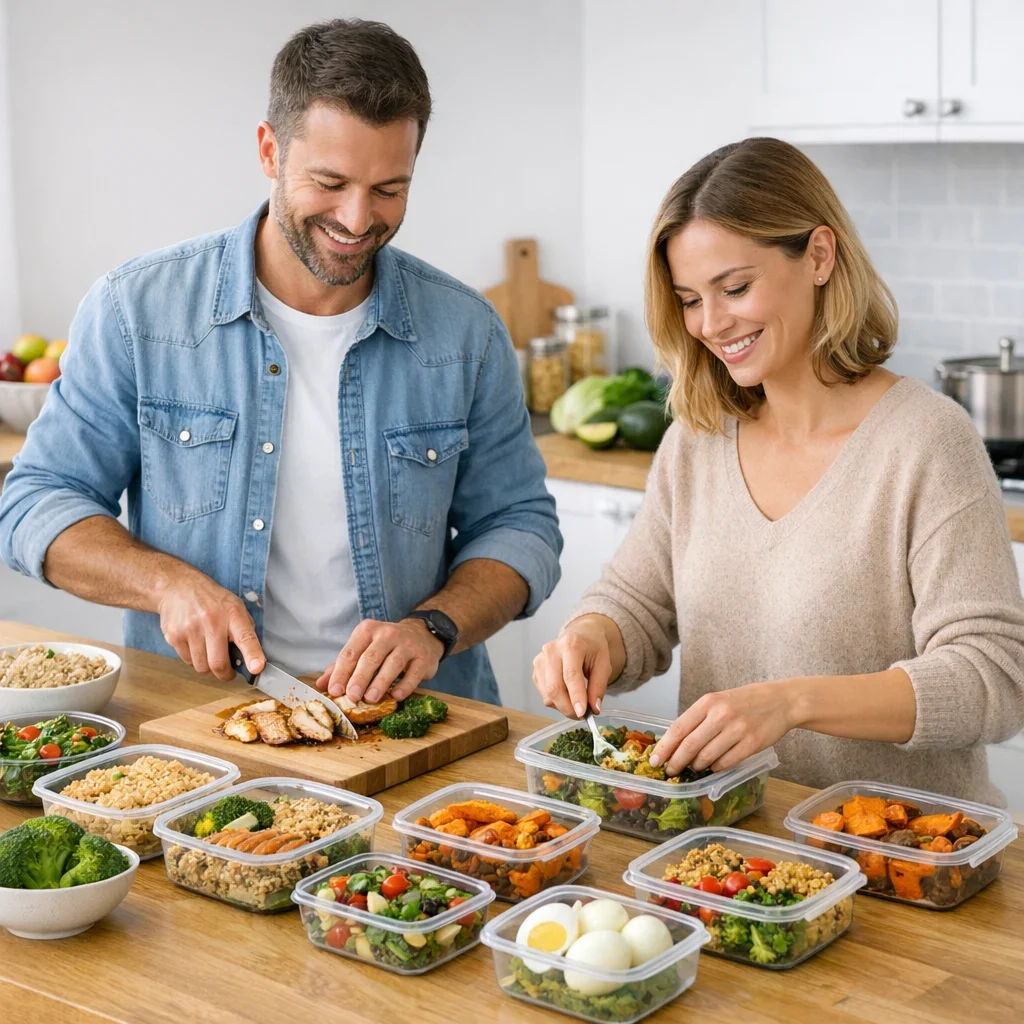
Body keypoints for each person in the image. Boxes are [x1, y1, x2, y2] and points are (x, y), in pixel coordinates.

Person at [0, 19, 561, 707]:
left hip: (415, 726)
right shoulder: (137, 311)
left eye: (389, 188)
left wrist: (433, 626)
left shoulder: (465, 332)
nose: (358, 220)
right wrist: (167, 584)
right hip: (200, 723)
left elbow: (521, 527)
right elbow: (35, 505)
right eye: (330, 182)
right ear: (269, 150)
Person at [532, 137, 1024, 804]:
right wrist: (591, 637)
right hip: (730, 854)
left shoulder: (926, 441)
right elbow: (638, 604)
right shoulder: (697, 440)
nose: (710, 323)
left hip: (899, 862)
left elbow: (994, 676)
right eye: (689, 298)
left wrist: (791, 703)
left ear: (819, 256)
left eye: (735, 287)